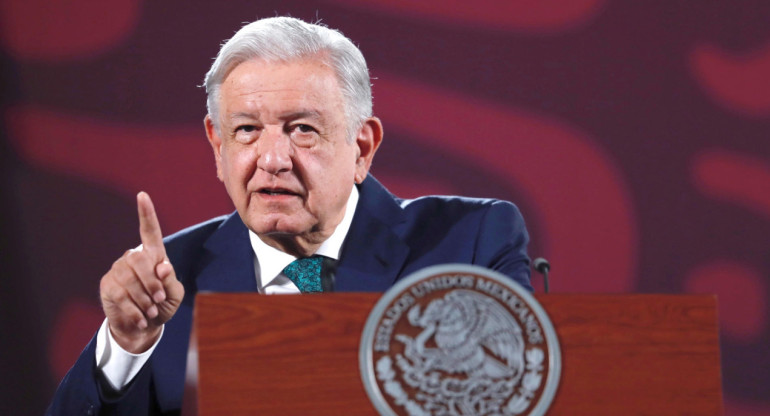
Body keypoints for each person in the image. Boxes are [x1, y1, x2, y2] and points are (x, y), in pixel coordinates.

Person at [46, 16, 532, 415]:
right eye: (247, 130)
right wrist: (126, 346)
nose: (271, 158)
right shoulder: (166, 279)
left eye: (301, 129)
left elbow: (527, 393)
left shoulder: (469, 243)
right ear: (218, 146)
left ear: (361, 147)